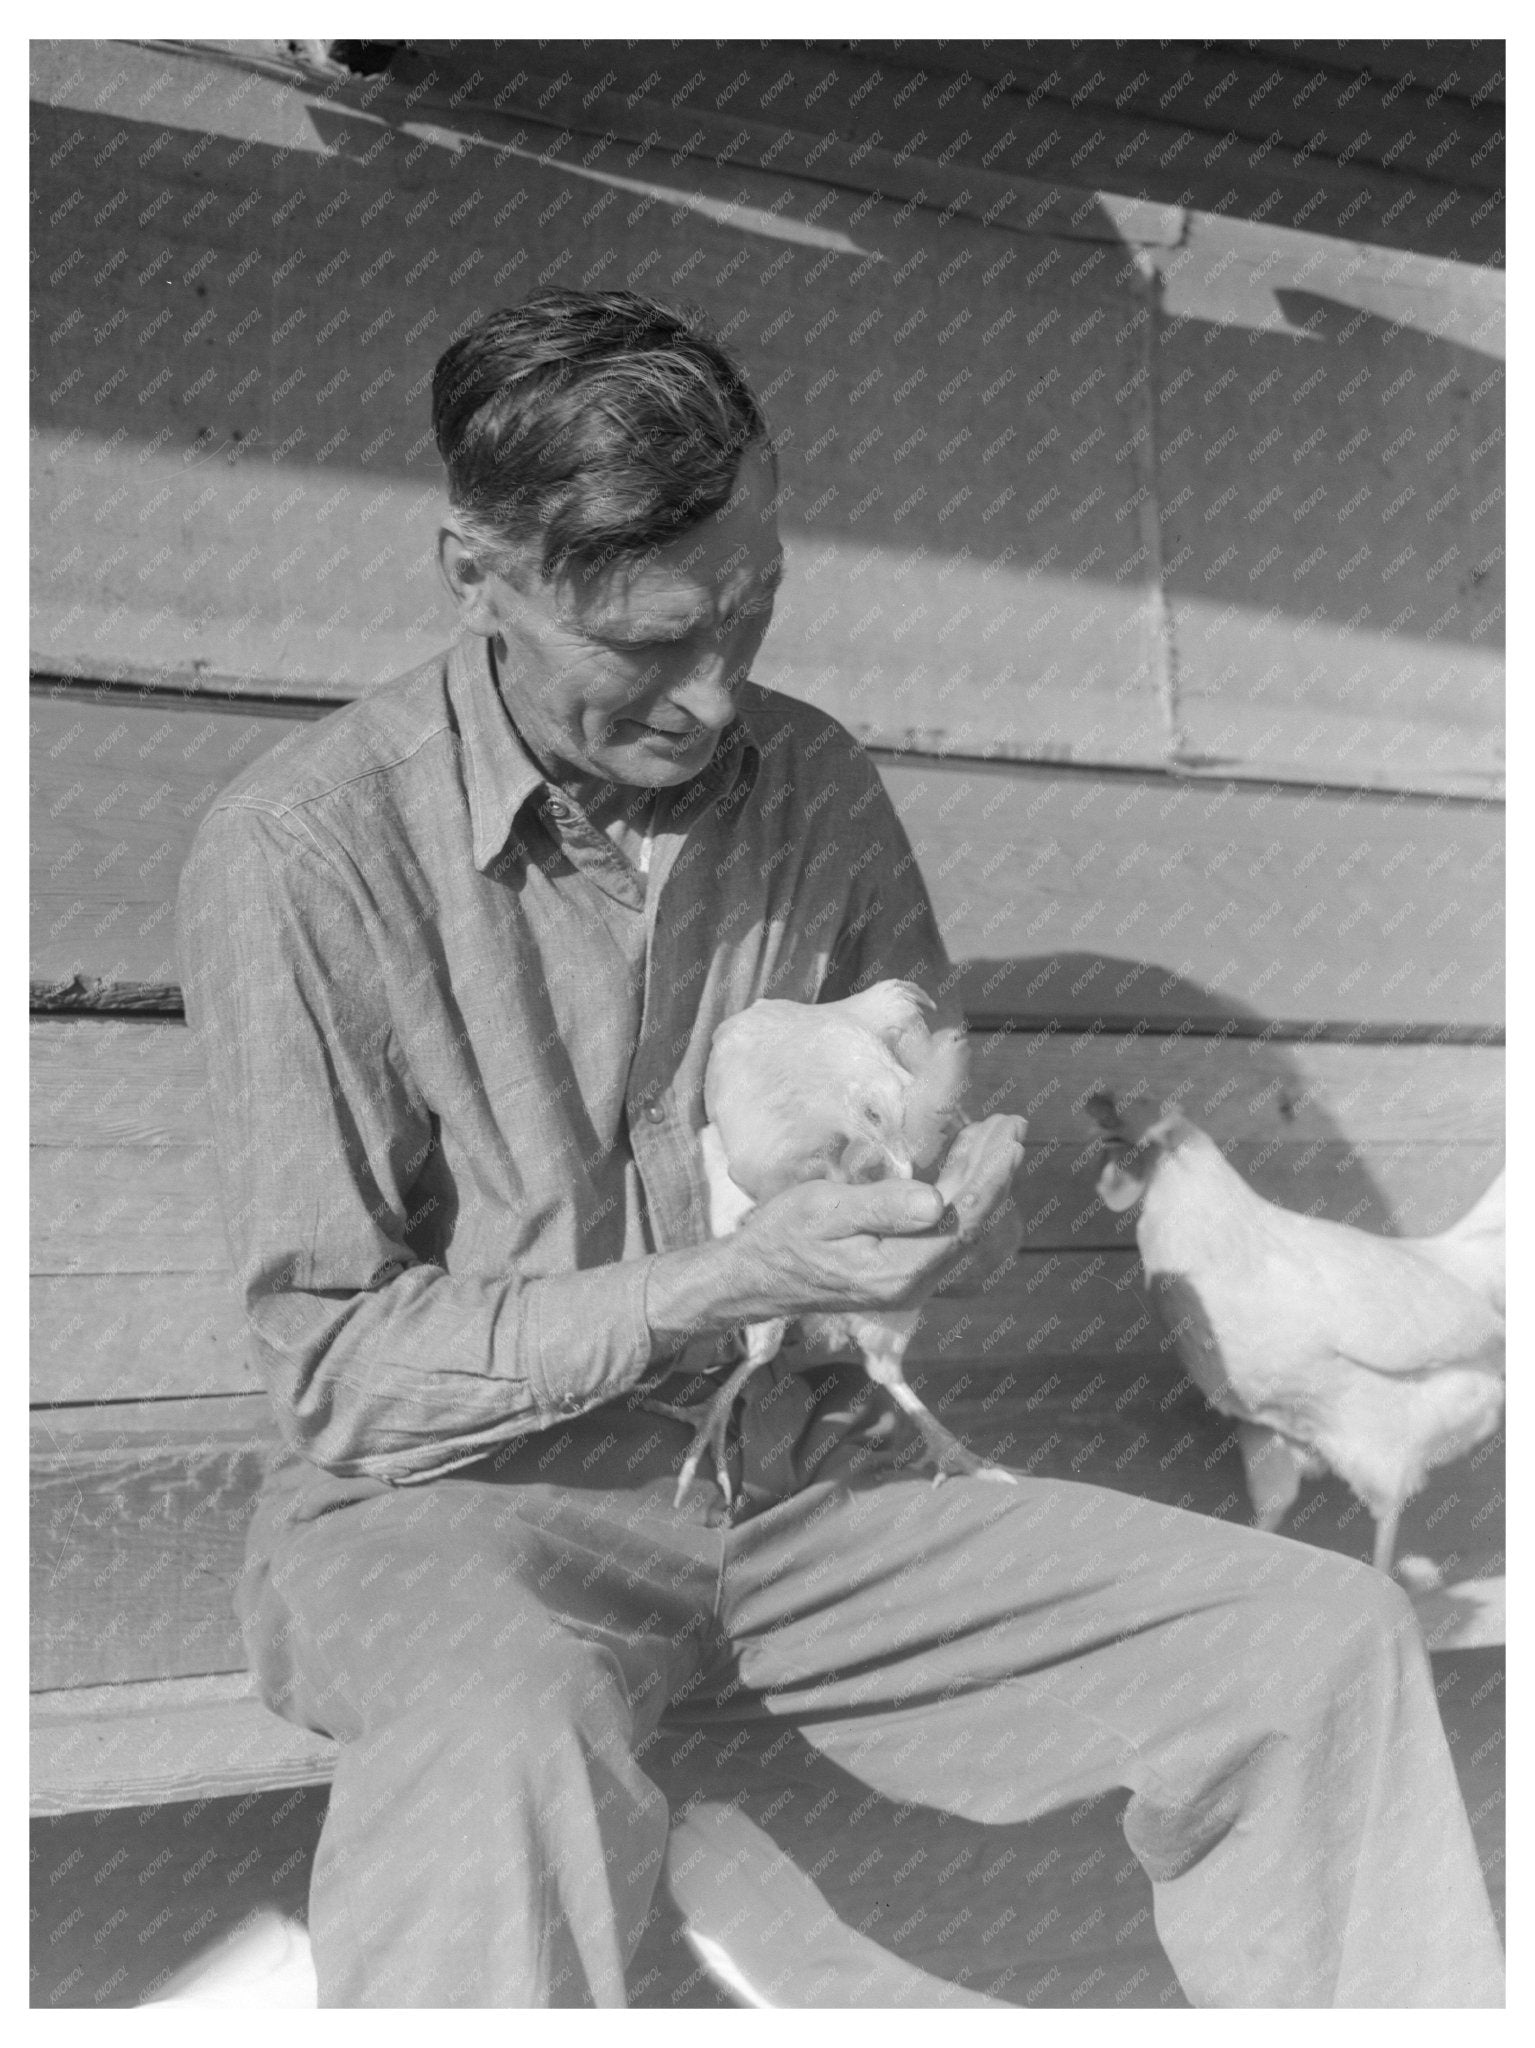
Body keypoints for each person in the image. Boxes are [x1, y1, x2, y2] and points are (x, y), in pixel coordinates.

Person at [177, 288, 1502, 2008]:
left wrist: (948, 1217)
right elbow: (338, 1371)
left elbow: (919, 1118)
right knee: (499, 1749)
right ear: (474, 577)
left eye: (754, 610)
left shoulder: (813, 783)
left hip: (803, 1491)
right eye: (652, 644)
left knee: (1318, 1646)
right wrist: (717, 1280)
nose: (721, 694)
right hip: (449, 1525)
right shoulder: (301, 854)